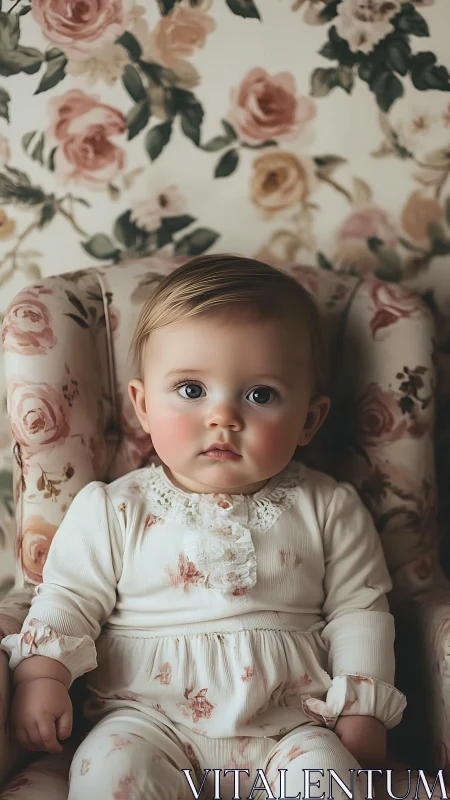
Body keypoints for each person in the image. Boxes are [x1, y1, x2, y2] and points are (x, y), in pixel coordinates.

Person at [0, 255, 407, 800]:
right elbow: (67, 597)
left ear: (309, 419)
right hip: (145, 723)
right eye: (191, 390)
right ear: (143, 406)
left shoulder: (329, 507)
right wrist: (41, 676)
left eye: (260, 395)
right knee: (107, 774)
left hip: (292, 726)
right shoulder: (113, 508)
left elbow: (361, 611)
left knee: (328, 780)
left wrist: (363, 713)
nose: (223, 416)